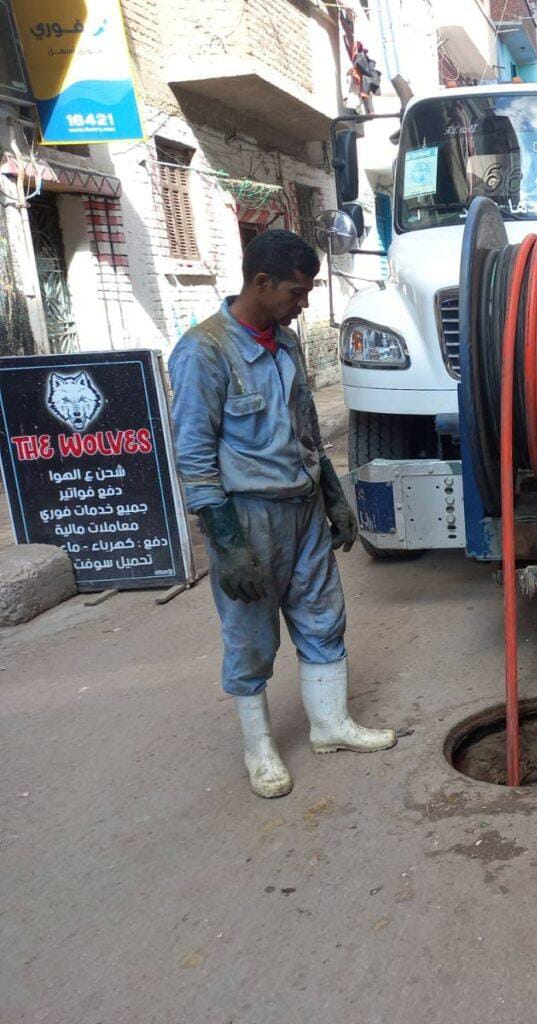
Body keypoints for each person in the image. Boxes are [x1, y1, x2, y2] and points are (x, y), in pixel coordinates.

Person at [168, 230, 395, 798]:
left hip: (302, 510)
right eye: (298, 290)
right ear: (261, 283)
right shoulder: (205, 351)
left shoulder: (287, 344)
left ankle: (330, 725)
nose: (305, 302)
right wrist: (226, 542)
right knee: (249, 632)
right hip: (246, 516)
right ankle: (259, 749)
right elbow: (193, 457)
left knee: (323, 615)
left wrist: (336, 498)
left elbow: (308, 435)